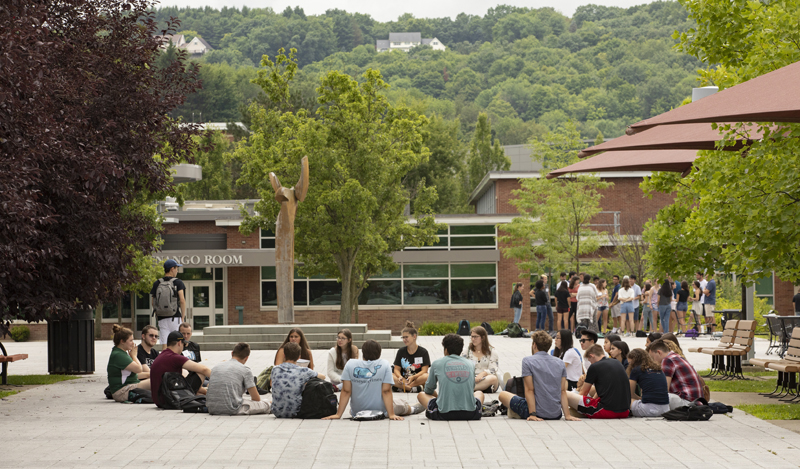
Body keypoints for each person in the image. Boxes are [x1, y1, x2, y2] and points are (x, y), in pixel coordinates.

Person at [498, 331, 580, 421]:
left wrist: (533, 414)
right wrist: (567, 415)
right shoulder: (560, 363)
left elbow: (529, 389)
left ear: (534, 345)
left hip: (537, 412)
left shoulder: (527, 361)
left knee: (502, 395)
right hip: (556, 414)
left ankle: (514, 409)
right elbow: (563, 391)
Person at [323, 340, 407, 421]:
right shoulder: (384, 364)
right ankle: (413, 409)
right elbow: (386, 391)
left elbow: (346, 391)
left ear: (363, 352)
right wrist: (391, 414)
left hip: (357, 411)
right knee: (401, 404)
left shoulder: (350, 364)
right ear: (379, 353)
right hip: (380, 411)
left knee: (397, 401)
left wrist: (338, 415)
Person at [418, 334, 483, 421]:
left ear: (446, 350)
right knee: (479, 393)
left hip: (444, 414)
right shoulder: (470, 363)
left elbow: (428, 389)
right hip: (471, 414)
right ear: (461, 349)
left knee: (421, 395)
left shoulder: (437, 363)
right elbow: (472, 388)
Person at [150, 331, 212, 408]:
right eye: (183, 344)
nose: (183, 347)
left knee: (200, 394)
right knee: (200, 373)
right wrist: (220, 380)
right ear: (179, 343)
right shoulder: (174, 357)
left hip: (159, 400)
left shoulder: (163, 355)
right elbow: (204, 369)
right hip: (170, 400)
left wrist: (205, 392)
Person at [566, 345, 631, 419]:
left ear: (592, 355)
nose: (590, 363)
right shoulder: (617, 362)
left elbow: (583, 393)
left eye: (589, 361)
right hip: (625, 411)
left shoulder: (594, 367)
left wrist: (574, 404)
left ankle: (575, 412)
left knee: (564, 393)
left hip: (607, 411)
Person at [207, 343, 270, 416]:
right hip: (232, 409)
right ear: (246, 358)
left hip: (212, 408)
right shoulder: (245, 370)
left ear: (232, 353)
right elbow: (256, 399)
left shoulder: (216, 367)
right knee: (266, 404)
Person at [271, 342, 327, 418]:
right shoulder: (303, 371)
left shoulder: (275, 369)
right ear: (299, 357)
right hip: (296, 411)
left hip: (277, 411)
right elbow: (323, 377)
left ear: (284, 355)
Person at [647, 339, 703, 409]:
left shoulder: (667, 360)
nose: (653, 361)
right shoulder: (675, 356)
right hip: (696, 402)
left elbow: (664, 389)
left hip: (688, 403)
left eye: (652, 358)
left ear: (659, 352)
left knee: (654, 397)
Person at [107, 324, 150, 402]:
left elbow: (132, 375)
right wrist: (134, 356)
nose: (133, 343)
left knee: (155, 379)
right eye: (130, 340)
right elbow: (139, 369)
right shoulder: (118, 355)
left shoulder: (120, 352)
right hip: (122, 392)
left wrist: (149, 374)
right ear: (122, 341)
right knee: (156, 381)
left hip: (128, 387)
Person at [150, 259, 186, 351]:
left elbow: (153, 302)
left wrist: (158, 313)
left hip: (162, 318)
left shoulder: (157, 283)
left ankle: (165, 362)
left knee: (164, 344)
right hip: (175, 317)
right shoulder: (178, 282)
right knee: (177, 342)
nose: (177, 270)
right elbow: (182, 300)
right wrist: (182, 316)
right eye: (176, 268)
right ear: (172, 269)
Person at [626, 348, 670, 417]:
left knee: (628, 400)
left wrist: (638, 398)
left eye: (629, 363)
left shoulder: (636, 370)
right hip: (665, 409)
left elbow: (629, 393)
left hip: (649, 410)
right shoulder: (658, 369)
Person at [462, 326, 500, 398]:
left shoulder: (492, 351)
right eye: (472, 336)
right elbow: (461, 365)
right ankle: (469, 387)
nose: (473, 339)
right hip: (471, 378)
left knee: (493, 378)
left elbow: (493, 369)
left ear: (483, 338)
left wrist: (483, 373)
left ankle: (465, 388)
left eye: (475, 337)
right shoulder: (467, 350)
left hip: (486, 380)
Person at [392, 321, 430, 393]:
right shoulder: (401, 351)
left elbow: (424, 371)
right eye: (403, 337)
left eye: (406, 337)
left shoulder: (423, 352)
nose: (404, 340)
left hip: (416, 380)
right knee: (390, 375)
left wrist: (413, 377)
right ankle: (411, 388)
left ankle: (405, 387)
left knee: (427, 376)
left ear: (414, 337)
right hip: (403, 380)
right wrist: (400, 377)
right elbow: (396, 369)